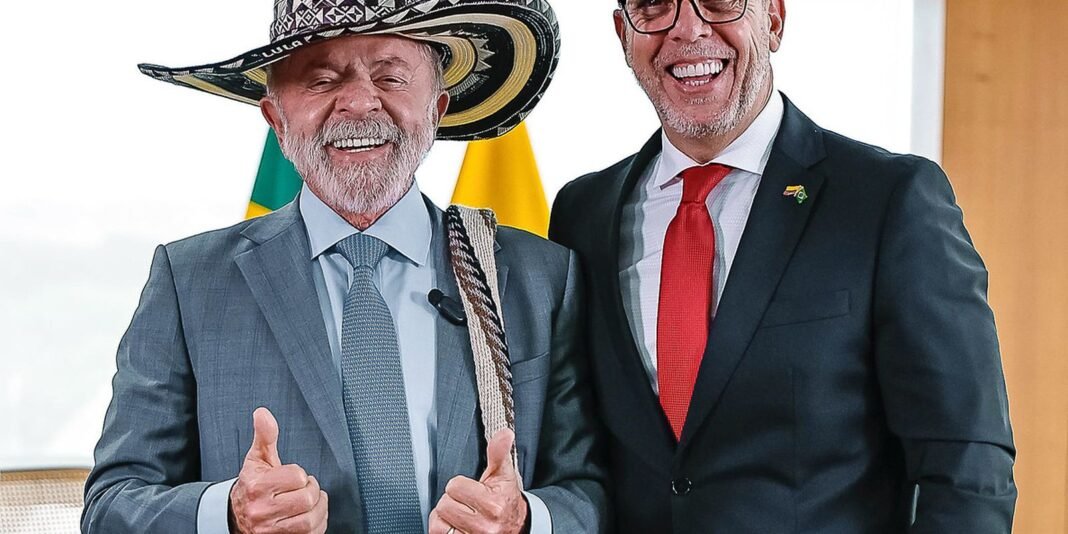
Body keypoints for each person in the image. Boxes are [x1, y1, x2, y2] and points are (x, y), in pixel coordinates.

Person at [83, 1, 605, 533]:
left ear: (437, 108)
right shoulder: (188, 280)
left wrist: (525, 520)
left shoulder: (542, 276)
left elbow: (589, 490)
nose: (358, 102)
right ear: (276, 119)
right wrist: (229, 513)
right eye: (321, 79)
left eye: (391, 77)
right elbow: (111, 505)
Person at [549, 0, 1016, 532]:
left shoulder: (887, 199)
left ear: (772, 18)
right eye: (654, 5)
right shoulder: (581, 215)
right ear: (622, 34)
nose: (688, 28)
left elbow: (967, 468)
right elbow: (577, 456)